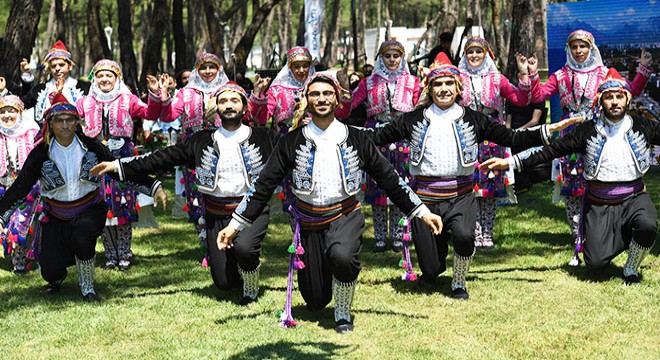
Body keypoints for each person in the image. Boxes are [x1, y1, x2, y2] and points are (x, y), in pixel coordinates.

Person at [217, 73, 443, 333]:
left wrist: (422, 212)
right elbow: (263, 186)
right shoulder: (290, 141)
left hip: (345, 215)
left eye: (327, 94)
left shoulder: (357, 138)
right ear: (306, 100)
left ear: (337, 99)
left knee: (343, 256)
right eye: (315, 94)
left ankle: (343, 312)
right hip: (308, 220)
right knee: (315, 300)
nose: (321, 99)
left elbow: (389, 179)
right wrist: (235, 225)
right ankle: (322, 293)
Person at [367, 53, 578, 300]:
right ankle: (434, 263)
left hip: (461, 195)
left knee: (466, 236)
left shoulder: (474, 119)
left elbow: (512, 138)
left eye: (448, 84)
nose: (443, 89)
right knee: (432, 269)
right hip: (424, 198)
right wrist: (339, 131)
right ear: (430, 88)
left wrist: (546, 130)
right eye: (438, 84)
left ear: (457, 88)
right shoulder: (413, 120)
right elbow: (375, 137)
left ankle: (458, 281)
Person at [91, 82, 277, 305]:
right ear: (215, 108)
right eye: (223, 101)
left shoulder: (264, 137)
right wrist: (118, 165)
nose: (229, 106)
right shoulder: (201, 140)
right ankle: (239, 270)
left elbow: (289, 157)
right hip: (216, 212)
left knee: (245, 249)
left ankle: (250, 284)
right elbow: (161, 158)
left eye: (234, 101)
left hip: (250, 210)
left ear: (245, 107)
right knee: (224, 283)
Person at [481, 68, 658, 284]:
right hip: (600, 203)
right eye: (609, 97)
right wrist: (511, 162)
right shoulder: (586, 130)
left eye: (619, 97)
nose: (614, 102)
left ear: (627, 100)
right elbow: (550, 150)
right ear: (600, 101)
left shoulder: (642, 126)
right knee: (595, 265)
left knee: (647, 225)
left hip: (634, 197)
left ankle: (631, 267)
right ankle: (624, 236)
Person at [0, 93, 164, 301]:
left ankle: (88, 288)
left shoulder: (92, 147)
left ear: (77, 122)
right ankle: (57, 277)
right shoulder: (40, 153)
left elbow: (119, 169)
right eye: (59, 121)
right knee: (50, 269)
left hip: (89, 208)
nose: (65, 125)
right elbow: (20, 186)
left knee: (82, 239)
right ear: (50, 124)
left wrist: (152, 186)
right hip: (56, 213)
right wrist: (1, 215)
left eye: (69, 120)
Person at [527, 30, 653, 266]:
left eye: (583, 47)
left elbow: (630, 91)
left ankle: (603, 233)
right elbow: (538, 95)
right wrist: (533, 73)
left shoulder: (604, 73)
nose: (579, 51)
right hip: (571, 136)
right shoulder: (561, 74)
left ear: (591, 48)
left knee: (595, 186)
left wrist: (643, 69)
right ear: (569, 50)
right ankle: (578, 239)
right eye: (574, 47)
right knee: (571, 188)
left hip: (599, 135)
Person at [75, 59, 163, 270]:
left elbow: (149, 113)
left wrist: (155, 94)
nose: (104, 79)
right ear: (94, 79)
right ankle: (110, 254)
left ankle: (124, 251)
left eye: (109, 75)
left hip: (122, 159)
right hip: (94, 160)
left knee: (122, 204)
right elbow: (66, 116)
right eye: (100, 75)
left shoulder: (128, 99)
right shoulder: (84, 102)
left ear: (117, 79)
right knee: (100, 207)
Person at [457, 37, 532, 249]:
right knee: (468, 187)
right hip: (466, 134)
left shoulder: (497, 78)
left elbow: (520, 99)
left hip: (491, 136)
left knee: (488, 187)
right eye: (470, 52)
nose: (474, 56)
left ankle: (486, 233)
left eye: (478, 52)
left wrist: (524, 75)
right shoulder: (457, 78)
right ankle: (472, 232)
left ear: (486, 55)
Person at [351, 40, 422, 252]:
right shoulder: (368, 82)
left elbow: (420, 107)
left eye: (396, 56)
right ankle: (381, 236)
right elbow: (350, 104)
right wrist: (342, 89)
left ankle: (400, 235)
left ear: (402, 58)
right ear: (380, 58)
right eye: (387, 56)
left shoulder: (413, 81)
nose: (392, 60)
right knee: (377, 185)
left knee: (401, 185)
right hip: (377, 140)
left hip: (403, 140)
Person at [161, 53, 230, 253]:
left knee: (222, 191)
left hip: (223, 148)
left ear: (218, 69)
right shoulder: (186, 92)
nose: (208, 71)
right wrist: (165, 94)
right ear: (197, 71)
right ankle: (205, 242)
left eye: (212, 67)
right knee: (197, 193)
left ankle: (224, 238)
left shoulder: (228, 89)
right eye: (203, 68)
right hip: (193, 151)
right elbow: (169, 115)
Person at [0, 95, 40, 274]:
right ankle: (17, 259)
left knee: (21, 223)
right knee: (7, 226)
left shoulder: (32, 131)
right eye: (3, 112)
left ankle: (21, 262)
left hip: (27, 186)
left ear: (20, 113)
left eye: (12, 111)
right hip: (4, 184)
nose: (7, 115)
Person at [14, 41, 90, 124]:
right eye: (53, 66)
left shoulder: (84, 87)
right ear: (50, 69)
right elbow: (22, 103)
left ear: (70, 66)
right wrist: (26, 74)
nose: (57, 68)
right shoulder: (40, 90)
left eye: (61, 65)